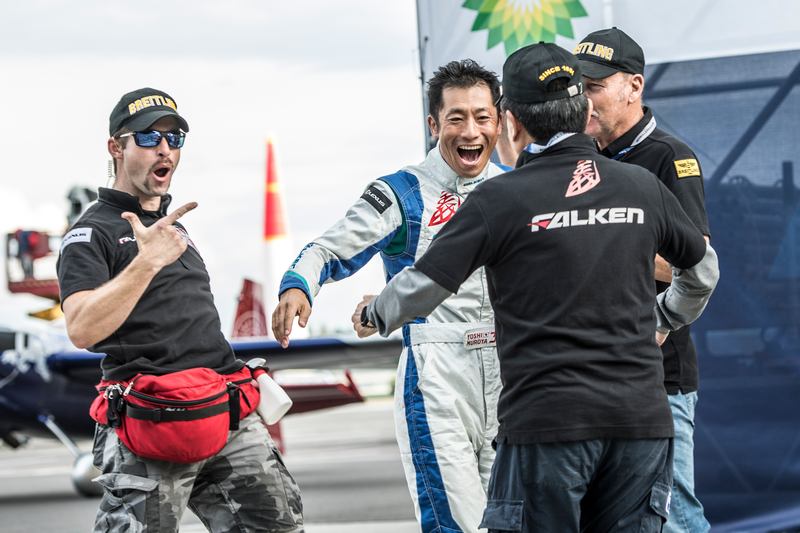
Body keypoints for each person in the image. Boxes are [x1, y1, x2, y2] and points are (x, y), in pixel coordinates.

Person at [354, 43, 719, 532]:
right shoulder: (639, 186)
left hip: (548, 425)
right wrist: (665, 317)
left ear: (511, 123)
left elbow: (425, 283)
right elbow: (703, 270)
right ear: (584, 111)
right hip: (639, 422)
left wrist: (375, 312)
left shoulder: (498, 198)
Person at [57, 88, 304, 533]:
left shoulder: (176, 229)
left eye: (174, 139)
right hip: (153, 422)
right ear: (117, 147)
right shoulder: (88, 234)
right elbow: (81, 328)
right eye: (149, 138)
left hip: (225, 411)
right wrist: (147, 261)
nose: (165, 148)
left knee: (279, 525)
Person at [272, 60, 505, 533]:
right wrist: (298, 285)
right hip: (437, 376)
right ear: (433, 124)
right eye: (456, 117)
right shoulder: (402, 192)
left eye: (482, 117)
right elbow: (328, 247)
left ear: (499, 121)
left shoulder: (513, 189)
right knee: (455, 525)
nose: (471, 130)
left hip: (511, 373)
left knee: (517, 520)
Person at [575, 27, 712, 533]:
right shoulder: (580, 158)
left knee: (674, 515)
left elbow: (693, 262)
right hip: (591, 371)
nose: (582, 98)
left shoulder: (670, 157)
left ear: (634, 86)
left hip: (659, 373)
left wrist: (600, 241)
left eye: (594, 86)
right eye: (577, 87)